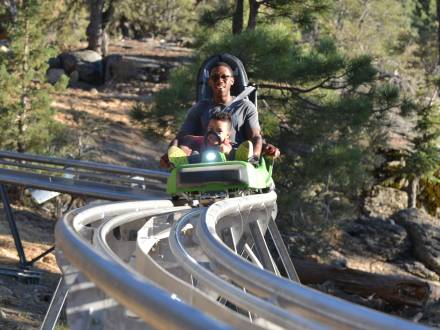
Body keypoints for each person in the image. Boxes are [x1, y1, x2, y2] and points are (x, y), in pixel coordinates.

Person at [160, 61, 279, 168]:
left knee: (248, 144)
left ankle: (247, 159)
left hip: (234, 153)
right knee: (187, 140)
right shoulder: (200, 108)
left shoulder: (245, 107)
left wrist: (260, 152)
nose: (220, 80)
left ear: (232, 81)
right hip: (206, 156)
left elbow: (255, 137)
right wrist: (169, 153)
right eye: (215, 77)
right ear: (210, 82)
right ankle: (178, 161)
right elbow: (181, 136)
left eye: (224, 77)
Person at [167, 112, 255, 166]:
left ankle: (244, 158)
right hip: (202, 166)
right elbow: (187, 139)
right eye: (210, 129)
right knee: (195, 154)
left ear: (227, 135)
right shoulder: (202, 140)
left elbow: (228, 148)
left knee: (234, 153)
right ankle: (180, 162)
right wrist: (183, 147)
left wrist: (227, 151)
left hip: (225, 167)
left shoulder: (226, 144)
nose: (213, 133)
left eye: (219, 131)